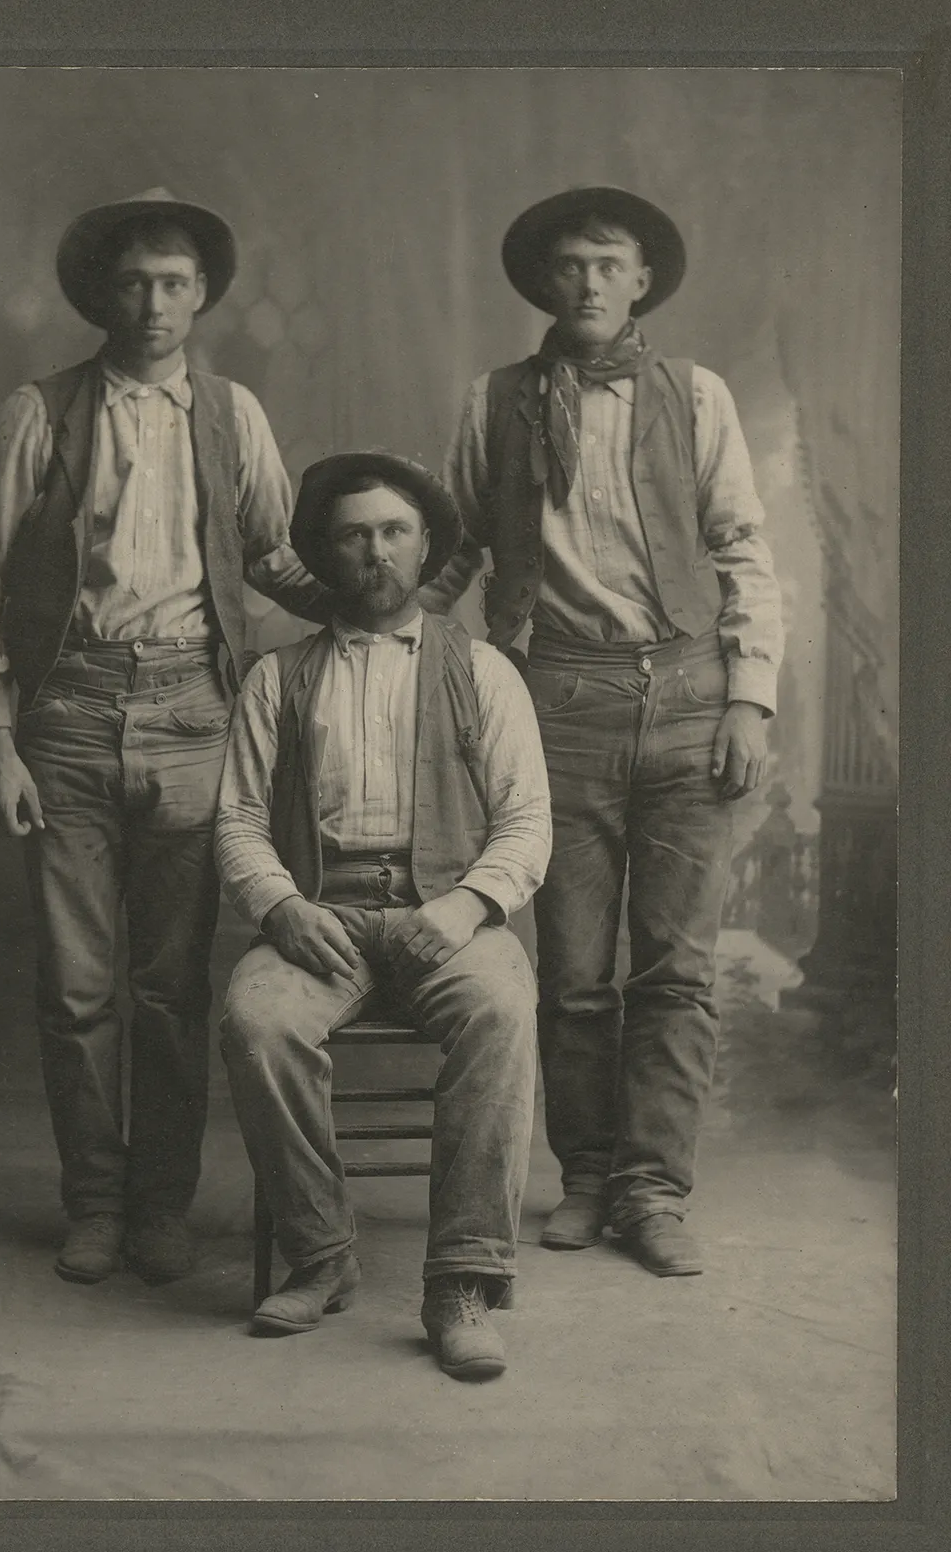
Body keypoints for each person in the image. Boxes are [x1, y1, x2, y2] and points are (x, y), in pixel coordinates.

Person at [0, 188, 336, 1287]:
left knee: (170, 986)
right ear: (99, 292)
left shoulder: (234, 415)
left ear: (205, 293)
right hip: (65, 712)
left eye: (174, 282)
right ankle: (95, 1200)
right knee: (77, 986)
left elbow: (270, 555)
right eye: (133, 282)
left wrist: (373, 599)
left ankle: (162, 1205)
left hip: (193, 716)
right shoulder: (42, 409)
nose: (154, 302)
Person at [443, 186, 784, 1276]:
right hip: (556, 706)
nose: (588, 282)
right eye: (569, 265)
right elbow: (453, 554)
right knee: (575, 970)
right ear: (543, 282)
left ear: (641, 280)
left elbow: (741, 547)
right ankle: (586, 1175)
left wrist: (749, 695)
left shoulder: (697, 395)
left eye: (609, 264)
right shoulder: (492, 401)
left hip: (689, 697)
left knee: (674, 968)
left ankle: (652, 1189)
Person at [215, 451, 551, 1380]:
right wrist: (280, 907)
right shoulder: (275, 679)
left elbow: (526, 823)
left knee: (502, 1010)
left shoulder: (482, 671)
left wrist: (466, 906)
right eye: (354, 535)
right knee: (257, 1019)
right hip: (321, 913)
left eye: (394, 533)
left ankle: (463, 1284)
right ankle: (322, 1255)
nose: (376, 554)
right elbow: (239, 821)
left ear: (424, 547)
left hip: (448, 909)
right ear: (324, 553)